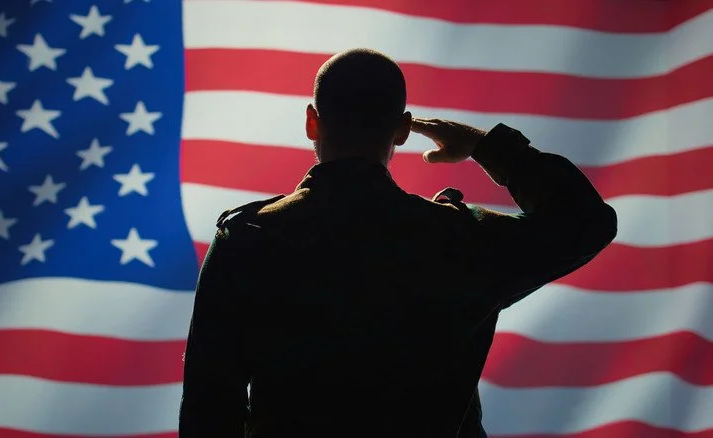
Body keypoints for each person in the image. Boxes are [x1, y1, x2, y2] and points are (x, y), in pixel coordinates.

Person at [179, 48, 617, 438]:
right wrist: (489, 147)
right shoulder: (457, 240)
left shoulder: (248, 239)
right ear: (403, 130)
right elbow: (585, 224)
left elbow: (209, 410)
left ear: (312, 121)